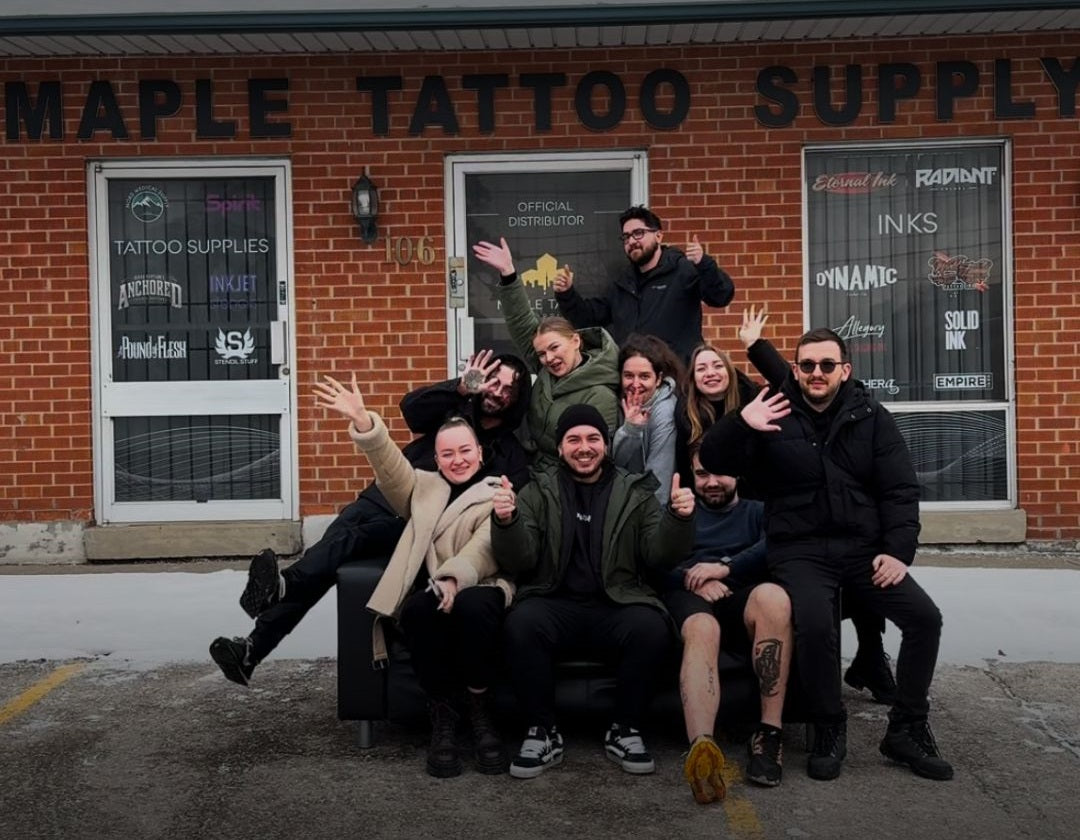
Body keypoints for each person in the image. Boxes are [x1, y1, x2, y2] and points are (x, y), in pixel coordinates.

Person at [699, 328, 953, 782]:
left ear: (845, 370)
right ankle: (828, 726)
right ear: (794, 370)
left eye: (827, 365)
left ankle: (908, 729)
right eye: (807, 365)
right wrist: (742, 423)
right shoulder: (773, 411)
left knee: (924, 618)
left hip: (863, 550)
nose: (817, 373)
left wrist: (897, 552)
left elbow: (899, 490)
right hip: (800, 550)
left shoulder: (872, 417)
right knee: (815, 624)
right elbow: (715, 458)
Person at [208, 351, 530, 689]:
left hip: (417, 521)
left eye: (510, 389)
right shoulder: (452, 413)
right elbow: (411, 409)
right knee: (325, 557)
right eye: (495, 381)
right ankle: (254, 646)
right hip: (379, 499)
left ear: (518, 400)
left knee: (349, 542)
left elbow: (493, 505)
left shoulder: (509, 452)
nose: (499, 392)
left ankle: (276, 600)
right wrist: (462, 388)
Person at [311, 372, 511, 778]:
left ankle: (478, 709)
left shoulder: (499, 490)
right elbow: (389, 466)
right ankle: (442, 716)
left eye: (465, 451)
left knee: (473, 607)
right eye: (448, 454)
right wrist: (365, 423)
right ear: (436, 460)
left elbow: (487, 546)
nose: (458, 460)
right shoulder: (422, 488)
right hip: (433, 588)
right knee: (418, 610)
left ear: (480, 452)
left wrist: (455, 577)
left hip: (483, 584)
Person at [490, 404, 696, 779]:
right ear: (561, 447)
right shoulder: (538, 490)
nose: (583, 447)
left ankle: (625, 728)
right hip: (555, 600)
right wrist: (507, 521)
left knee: (650, 627)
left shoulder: (635, 491)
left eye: (592, 439)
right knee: (521, 623)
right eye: (574, 439)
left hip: (616, 601)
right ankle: (542, 731)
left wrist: (678, 520)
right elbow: (522, 559)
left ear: (605, 444)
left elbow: (658, 554)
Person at [663, 449, 791, 804]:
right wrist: (694, 576)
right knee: (704, 628)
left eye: (721, 473)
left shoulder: (757, 511)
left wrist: (725, 568)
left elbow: (776, 545)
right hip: (690, 596)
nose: (712, 482)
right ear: (692, 474)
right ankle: (702, 750)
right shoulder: (678, 513)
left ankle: (769, 734)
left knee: (774, 598)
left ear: (738, 474)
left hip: (740, 594)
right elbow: (652, 558)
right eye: (702, 474)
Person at [473, 237, 619, 471]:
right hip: (531, 466)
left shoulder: (600, 395)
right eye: (541, 353)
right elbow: (521, 321)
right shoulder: (548, 370)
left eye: (554, 348)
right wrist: (508, 274)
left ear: (575, 341)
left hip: (565, 481)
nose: (548, 358)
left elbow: (593, 459)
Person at [552, 205, 735, 360]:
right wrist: (566, 293)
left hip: (678, 380)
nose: (631, 241)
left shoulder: (683, 270)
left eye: (638, 233)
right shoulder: (622, 284)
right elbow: (588, 318)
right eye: (626, 237)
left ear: (658, 236)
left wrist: (704, 263)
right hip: (636, 383)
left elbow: (721, 296)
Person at [611, 333, 684, 505]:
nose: (635, 384)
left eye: (644, 376)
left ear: (658, 379)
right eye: (629, 376)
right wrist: (631, 429)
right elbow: (617, 465)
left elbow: (659, 479)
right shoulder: (620, 403)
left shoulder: (665, 411)